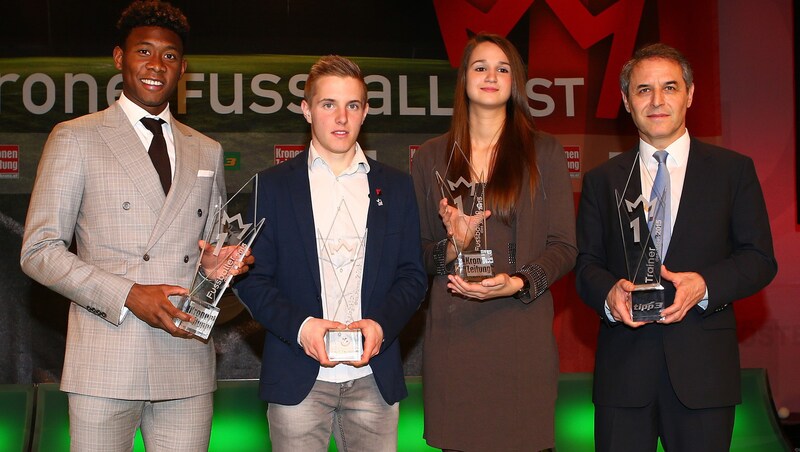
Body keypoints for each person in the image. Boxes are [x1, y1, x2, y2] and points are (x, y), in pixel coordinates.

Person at [19, 1, 251, 450]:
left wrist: (217, 267)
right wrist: (128, 294)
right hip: (106, 357)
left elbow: (212, 247)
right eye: (144, 51)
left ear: (183, 68)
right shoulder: (76, 136)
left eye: (169, 56)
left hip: (185, 354)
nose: (156, 65)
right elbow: (39, 250)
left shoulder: (207, 149)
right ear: (119, 58)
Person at [575, 43, 777, 451]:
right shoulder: (603, 180)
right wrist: (609, 294)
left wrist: (704, 285)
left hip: (704, 374)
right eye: (643, 90)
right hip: (623, 375)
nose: (657, 100)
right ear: (626, 101)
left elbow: (759, 259)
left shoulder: (733, 171)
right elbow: (586, 265)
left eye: (669, 87)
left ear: (690, 94)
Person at [234, 55, 427, 452]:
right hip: (297, 379)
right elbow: (252, 279)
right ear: (306, 110)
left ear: (365, 112)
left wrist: (381, 326)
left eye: (352, 105)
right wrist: (303, 329)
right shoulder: (272, 187)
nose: (341, 117)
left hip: (374, 378)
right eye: (328, 105)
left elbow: (412, 275)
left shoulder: (397, 186)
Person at [411, 33, 577, 451]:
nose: (491, 76)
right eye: (480, 66)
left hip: (521, 330)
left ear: (515, 82)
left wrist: (519, 282)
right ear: (464, 79)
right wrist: (453, 246)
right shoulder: (431, 157)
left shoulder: (545, 152)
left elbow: (564, 246)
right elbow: (415, 252)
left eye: (502, 68)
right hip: (455, 331)